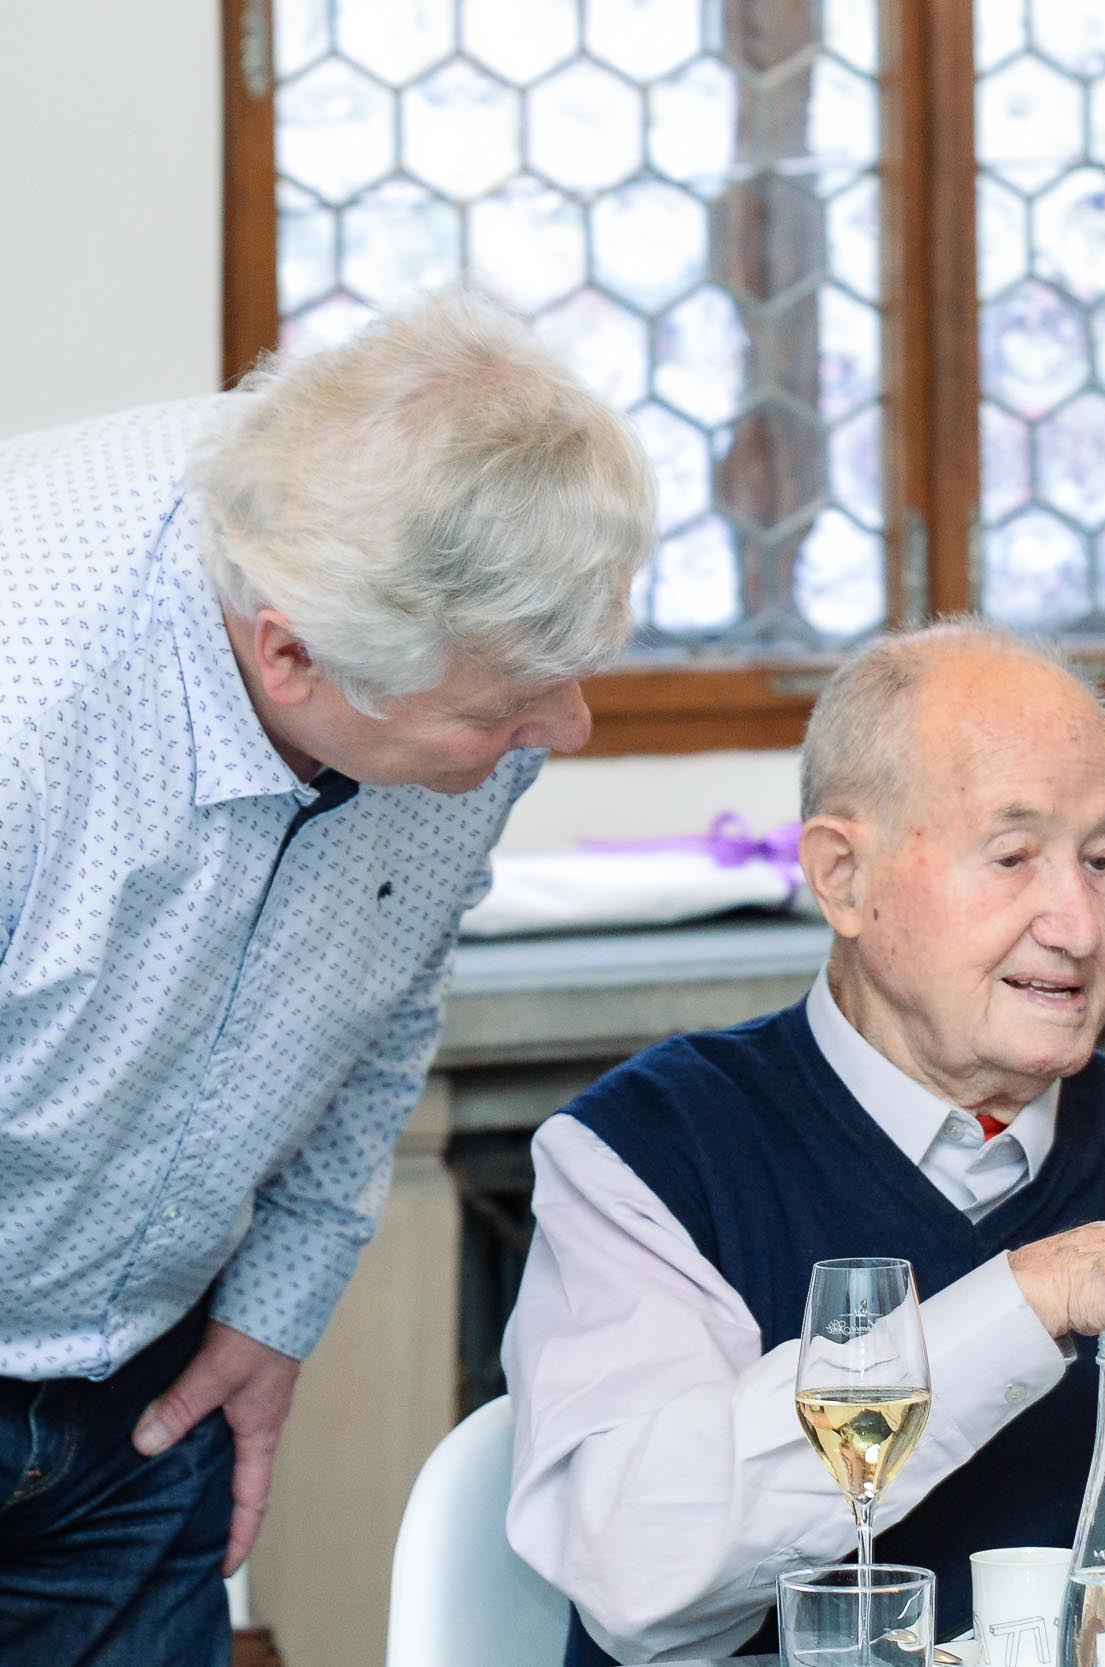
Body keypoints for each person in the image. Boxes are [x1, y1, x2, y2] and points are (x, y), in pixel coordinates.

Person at [502, 624, 1105, 1666]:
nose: (1077, 921)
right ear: (843, 876)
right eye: (1013, 857)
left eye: (1103, 858)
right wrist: (1037, 1292)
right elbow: (632, 1573)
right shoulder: (647, 1157)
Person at [0, 289, 653, 1666]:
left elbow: (381, 990)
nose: (566, 731)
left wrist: (272, 1305)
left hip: (144, 1396)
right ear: (290, 649)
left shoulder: (459, 628)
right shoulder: (29, 699)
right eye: (506, 710)